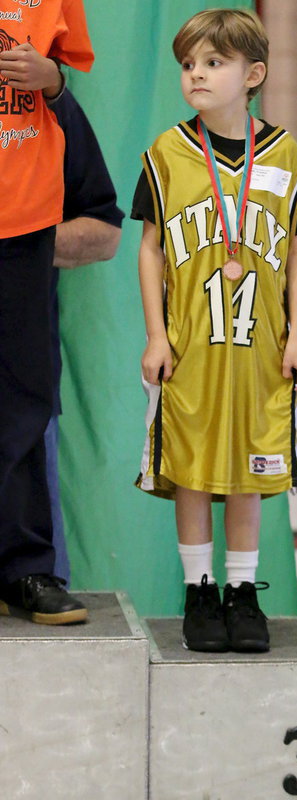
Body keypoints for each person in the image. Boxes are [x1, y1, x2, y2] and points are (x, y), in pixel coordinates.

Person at [132, 9, 297, 652]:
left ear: (254, 74)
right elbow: (152, 248)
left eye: (214, 63)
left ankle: (243, 594)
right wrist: (157, 335)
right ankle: (199, 591)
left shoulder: (285, 153)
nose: (197, 75)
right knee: (192, 469)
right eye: (189, 64)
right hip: (191, 349)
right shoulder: (166, 153)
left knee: (248, 472)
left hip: (258, 352)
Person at [0, 1, 93, 625]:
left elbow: (63, 78)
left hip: (24, 221)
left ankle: (27, 571)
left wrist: (49, 80)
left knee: (24, 398)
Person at [46, 88, 124, 584]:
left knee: (37, 582)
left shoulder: (51, 109)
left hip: (20, 370)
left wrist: (21, 241)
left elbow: (106, 232)